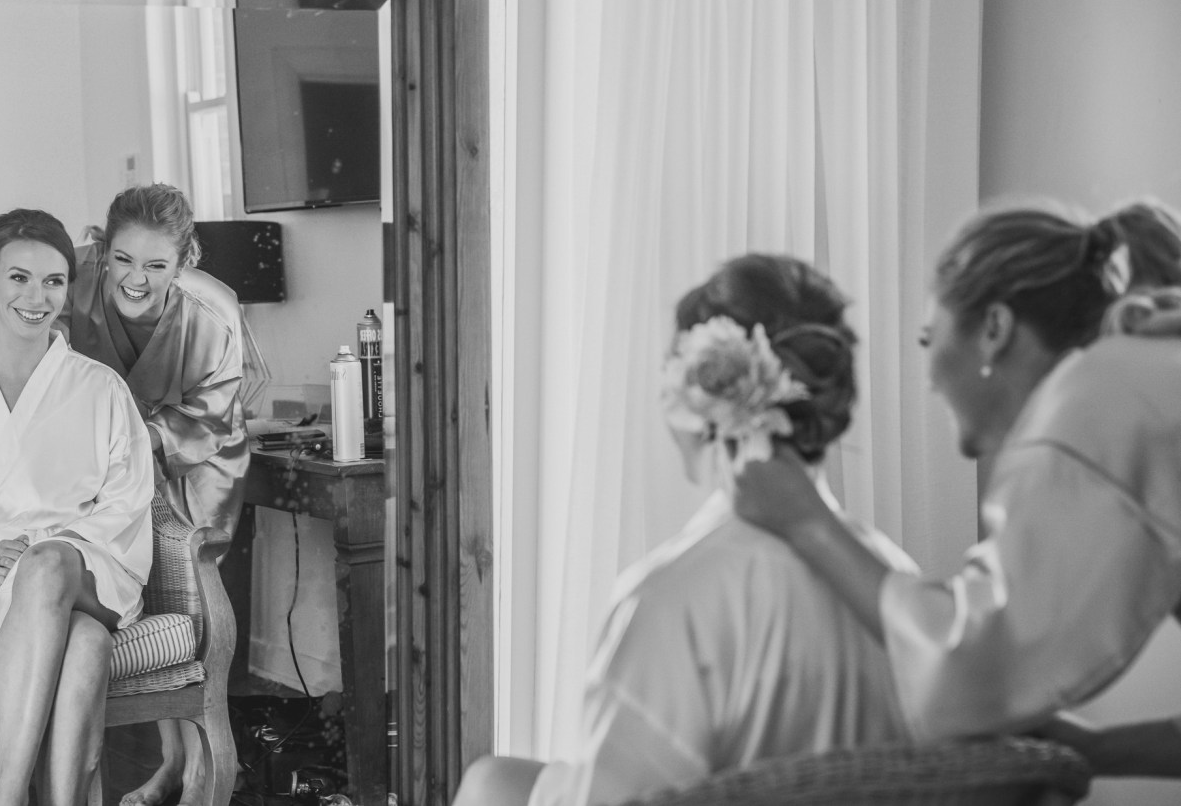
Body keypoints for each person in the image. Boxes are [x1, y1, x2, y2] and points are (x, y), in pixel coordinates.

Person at [454, 254, 919, 806]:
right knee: (495, 780)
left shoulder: (671, 602)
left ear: (699, 395)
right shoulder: (897, 583)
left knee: (487, 786)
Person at [730, 199, 1181, 748]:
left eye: (929, 338)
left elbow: (974, 664)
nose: (929, 379)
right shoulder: (1137, 379)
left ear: (994, 328)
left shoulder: (1092, 406)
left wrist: (809, 524)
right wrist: (1098, 750)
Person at [0, 183, 249, 806]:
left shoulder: (213, 315)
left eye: (156, 265)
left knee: (180, 585)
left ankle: (183, 769)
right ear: (102, 250)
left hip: (190, 449)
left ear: (184, 262)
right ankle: (123, 777)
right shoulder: (64, 278)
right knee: (85, 634)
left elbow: (214, 412)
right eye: (122, 259)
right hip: (84, 464)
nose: (135, 279)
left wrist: (126, 436)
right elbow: (31, 357)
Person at [0, 208, 155, 806]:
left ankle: (8, 793)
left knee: (46, 565)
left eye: (53, 281)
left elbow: (127, 499)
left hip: (91, 568)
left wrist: (52, 547)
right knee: (86, 642)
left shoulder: (100, 387)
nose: (36, 297)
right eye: (19, 278)